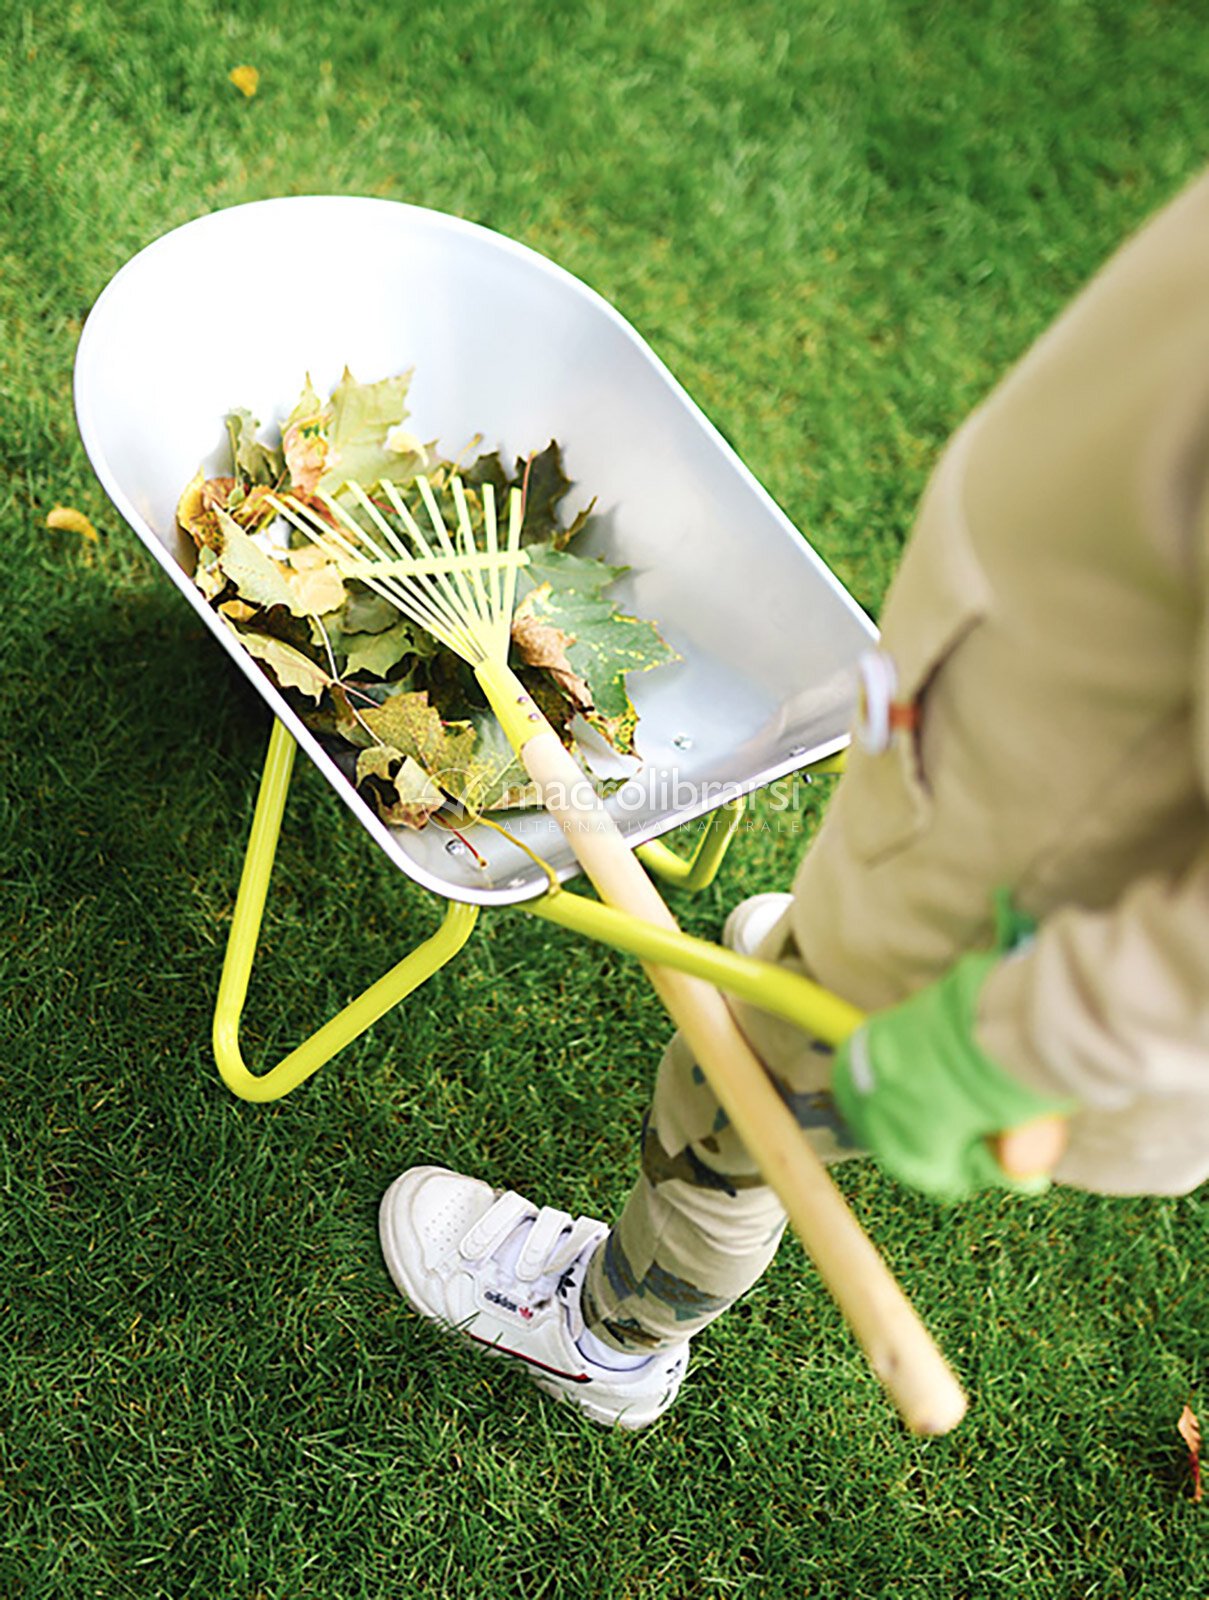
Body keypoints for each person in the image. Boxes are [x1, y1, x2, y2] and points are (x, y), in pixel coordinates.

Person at [378, 168, 1209, 1430]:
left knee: (733, 1110)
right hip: (1007, 768)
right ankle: (834, 946)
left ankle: (611, 1334)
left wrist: (1017, 1040)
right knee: (810, 962)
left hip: (1027, 931)